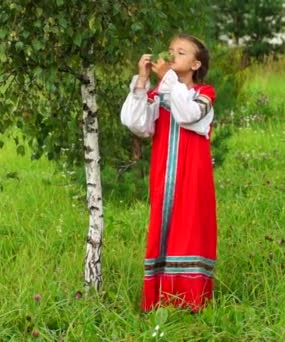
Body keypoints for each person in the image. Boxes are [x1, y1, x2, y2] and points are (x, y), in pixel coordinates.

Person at [120, 34, 217, 312]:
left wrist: (169, 80)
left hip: (193, 178)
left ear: (196, 64)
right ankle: (161, 301)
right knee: (164, 229)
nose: (173, 55)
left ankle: (192, 302)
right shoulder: (161, 93)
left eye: (182, 52)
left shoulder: (204, 94)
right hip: (164, 176)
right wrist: (142, 80)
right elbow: (135, 123)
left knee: (191, 229)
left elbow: (186, 114)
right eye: (171, 50)